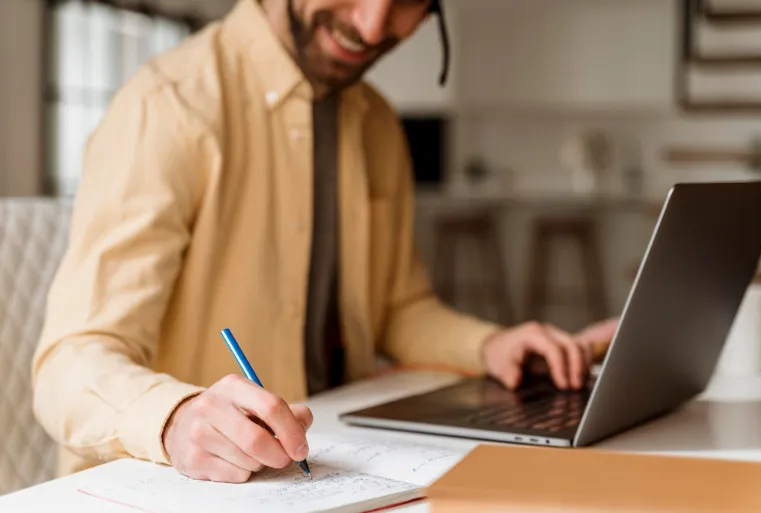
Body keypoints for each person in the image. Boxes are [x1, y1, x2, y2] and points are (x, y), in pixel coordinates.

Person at [32, 0, 618, 484]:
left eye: (409, 2)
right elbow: (70, 360)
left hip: (331, 470)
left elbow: (397, 310)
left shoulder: (377, 124)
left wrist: (491, 345)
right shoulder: (168, 104)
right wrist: (175, 417)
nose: (372, 24)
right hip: (168, 489)